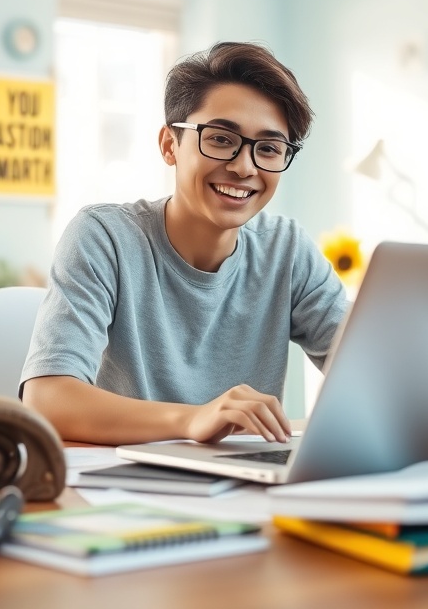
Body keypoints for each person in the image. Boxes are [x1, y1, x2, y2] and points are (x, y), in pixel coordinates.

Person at [19, 41, 348, 446]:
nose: (245, 167)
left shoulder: (287, 251)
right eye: (221, 139)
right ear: (169, 145)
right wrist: (193, 419)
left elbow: (372, 373)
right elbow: (47, 399)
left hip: (245, 491)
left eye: (268, 148)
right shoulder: (104, 238)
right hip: (125, 489)